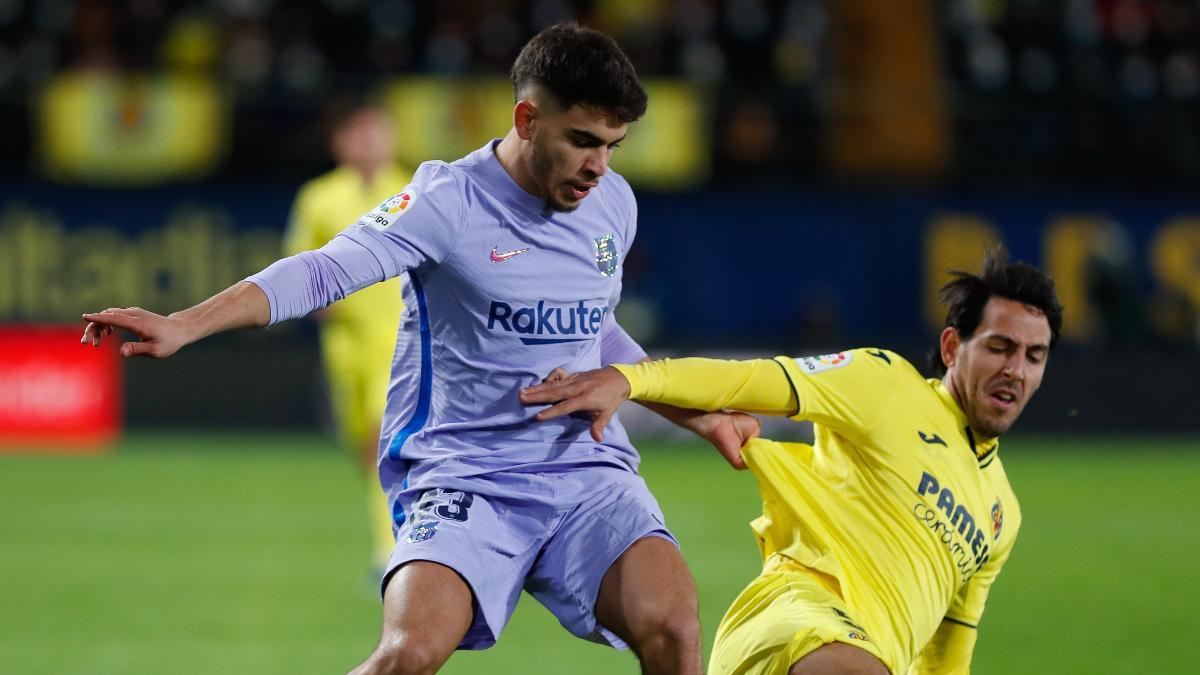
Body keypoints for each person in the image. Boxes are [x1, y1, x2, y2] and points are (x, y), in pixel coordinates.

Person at [81, 23, 754, 675]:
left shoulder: (614, 204)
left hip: (584, 472)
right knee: (408, 654)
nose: (597, 166)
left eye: (612, 145)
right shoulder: (446, 201)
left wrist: (701, 414)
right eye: (582, 141)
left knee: (673, 625)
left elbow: (596, 331)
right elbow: (320, 270)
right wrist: (185, 324)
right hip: (466, 473)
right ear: (525, 119)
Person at [520, 247, 1063, 675]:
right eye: (999, 346)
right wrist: (632, 379)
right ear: (951, 348)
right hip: (794, 617)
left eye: (1033, 356)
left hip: (864, 654)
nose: (1016, 369)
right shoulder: (886, 385)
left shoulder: (1001, 515)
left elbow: (946, 659)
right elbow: (743, 379)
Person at [284, 102, 411, 569]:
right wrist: (314, 297)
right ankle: (400, 531)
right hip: (344, 345)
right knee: (365, 450)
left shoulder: (414, 191)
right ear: (340, 144)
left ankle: (392, 551)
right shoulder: (319, 198)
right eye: (358, 136)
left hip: (402, 342)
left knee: (386, 443)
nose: (369, 145)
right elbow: (299, 262)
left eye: (377, 134)